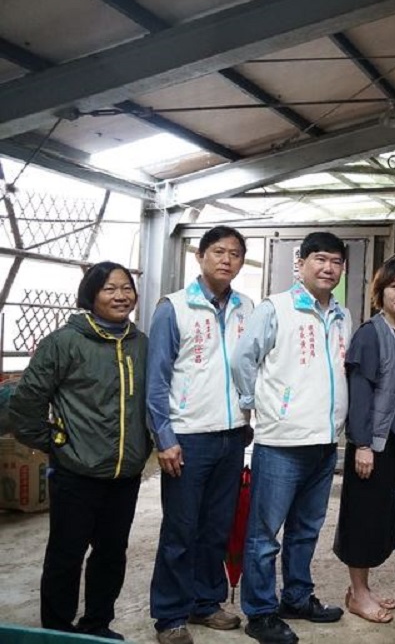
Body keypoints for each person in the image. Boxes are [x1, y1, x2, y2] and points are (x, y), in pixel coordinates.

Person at [11, 262, 150, 640]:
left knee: (111, 553)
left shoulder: (140, 343)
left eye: (126, 288)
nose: (120, 295)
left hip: (126, 473)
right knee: (65, 556)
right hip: (77, 472)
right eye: (109, 289)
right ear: (90, 296)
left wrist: (144, 445)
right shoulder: (64, 342)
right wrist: (58, 444)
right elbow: (24, 406)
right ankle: (58, 631)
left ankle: (97, 626)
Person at [231, 232, 352, 644]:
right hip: (281, 443)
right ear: (300, 263)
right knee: (265, 535)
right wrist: (259, 404)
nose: (328, 268)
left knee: (305, 530)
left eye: (336, 262)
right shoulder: (275, 308)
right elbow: (243, 358)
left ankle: (297, 597)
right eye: (320, 259)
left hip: (323, 443)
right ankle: (260, 611)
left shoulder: (342, 315)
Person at [146, 226, 254, 644]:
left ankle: (206, 603)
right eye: (219, 252)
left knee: (216, 526)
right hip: (187, 436)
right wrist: (165, 438)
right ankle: (170, 614)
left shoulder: (248, 308)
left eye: (235, 254)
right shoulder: (173, 307)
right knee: (180, 529)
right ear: (200, 256)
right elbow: (156, 382)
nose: (227, 260)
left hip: (232, 435)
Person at [333, 260, 395, 625]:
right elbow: (361, 393)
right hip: (373, 445)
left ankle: (363, 589)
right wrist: (363, 444)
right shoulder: (371, 333)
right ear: (379, 293)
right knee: (362, 519)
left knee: (382, 519)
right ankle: (358, 593)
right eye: (393, 287)